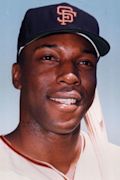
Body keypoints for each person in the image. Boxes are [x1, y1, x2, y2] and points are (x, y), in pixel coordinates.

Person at [0, 2, 120, 180]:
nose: (71, 75)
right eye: (49, 58)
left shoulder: (114, 163)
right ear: (17, 75)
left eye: (85, 62)